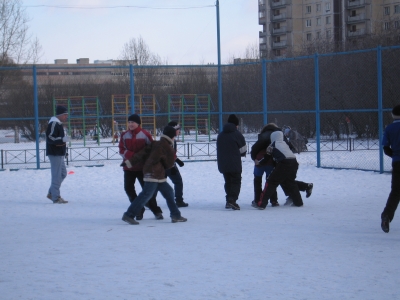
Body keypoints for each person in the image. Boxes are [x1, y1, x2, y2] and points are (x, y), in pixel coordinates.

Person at [121, 126, 187, 225]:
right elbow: (168, 164)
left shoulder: (156, 143)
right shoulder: (167, 147)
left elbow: (142, 153)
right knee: (145, 195)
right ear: (172, 136)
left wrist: (130, 162)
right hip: (154, 174)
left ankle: (176, 215)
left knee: (169, 192)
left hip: (155, 174)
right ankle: (129, 214)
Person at [251, 123, 313, 207]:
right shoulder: (284, 143)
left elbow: (266, 156)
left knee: (271, 182)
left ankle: (262, 203)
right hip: (294, 162)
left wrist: (259, 162)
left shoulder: (272, 145)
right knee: (290, 182)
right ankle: (298, 202)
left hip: (283, 163)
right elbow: (292, 148)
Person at [119, 114, 163, 220]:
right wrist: (132, 156)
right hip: (129, 167)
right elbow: (121, 149)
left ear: (138, 123)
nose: (130, 124)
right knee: (129, 189)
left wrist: (143, 159)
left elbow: (151, 149)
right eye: (129, 122)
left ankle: (156, 210)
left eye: (132, 122)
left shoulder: (145, 134)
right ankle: (138, 209)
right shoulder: (124, 135)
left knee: (147, 191)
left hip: (142, 168)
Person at [217, 114, 247, 210]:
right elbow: (243, 150)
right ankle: (232, 200)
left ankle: (228, 200)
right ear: (236, 125)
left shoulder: (220, 135)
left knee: (228, 181)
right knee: (236, 181)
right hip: (234, 163)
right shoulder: (237, 134)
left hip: (223, 163)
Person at [381, 104, 400, 233]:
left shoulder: (389, 129)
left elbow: (386, 148)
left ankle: (387, 215)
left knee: (396, 192)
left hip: (397, 163)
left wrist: (395, 154)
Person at [46, 105, 69, 204]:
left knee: (63, 173)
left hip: (59, 153)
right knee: (57, 175)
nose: (66, 117)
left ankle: (52, 192)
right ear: (60, 115)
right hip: (55, 153)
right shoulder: (53, 124)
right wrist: (62, 140)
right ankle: (56, 197)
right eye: (65, 115)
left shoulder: (57, 124)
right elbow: (50, 138)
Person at [166, 121, 188, 207]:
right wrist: (176, 160)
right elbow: (167, 153)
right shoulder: (168, 140)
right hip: (168, 165)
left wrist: (177, 160)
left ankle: (150, 201)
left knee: (157, 184)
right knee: (178, 182)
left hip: (167, 164)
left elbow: (172, 153)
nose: (179, 131)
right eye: (178, 129)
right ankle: (179, 200)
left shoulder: (171, 139)